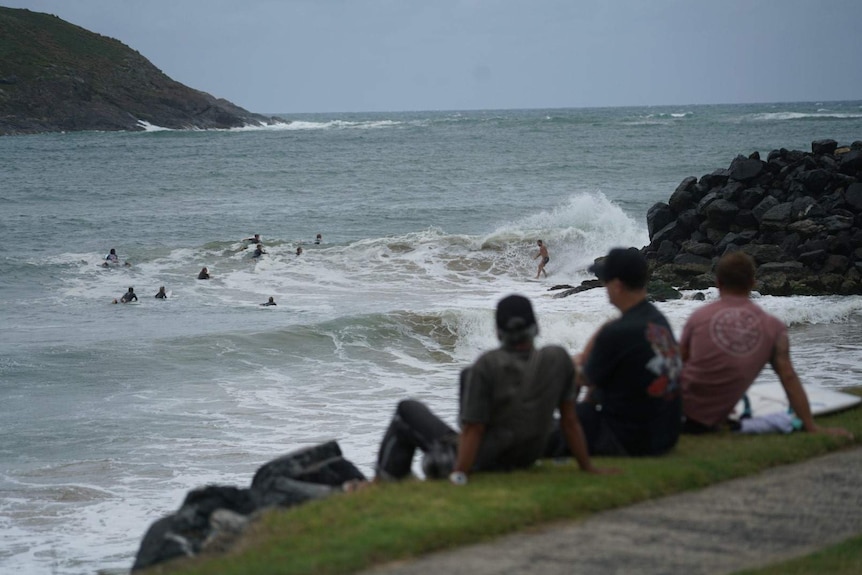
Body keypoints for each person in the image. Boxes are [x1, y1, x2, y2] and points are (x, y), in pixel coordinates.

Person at [375, 294, 609, 485]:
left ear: (498, 332)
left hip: (485, 460)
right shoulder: (558, 359)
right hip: (527, 456)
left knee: (406, 410)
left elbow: (474, 428)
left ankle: (382, 483)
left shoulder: (488, 364)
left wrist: (460, 473)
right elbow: (569, 421)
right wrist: (586, 466)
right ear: (536, 327)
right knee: (468, 377)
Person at [680, 252, 852, 438]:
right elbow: (788, 376)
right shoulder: (773, 327)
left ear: (718, 283)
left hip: (674, 413)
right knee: (783, 420)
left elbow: (676, 366)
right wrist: (811, 427)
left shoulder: (698, 317)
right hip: (705, 423)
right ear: (753, 284)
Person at [546, 247, 682, 457]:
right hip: (665, 435)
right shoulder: (657, 320)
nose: (604, 287)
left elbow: (582, 379)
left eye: (605, 281)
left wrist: (573, 363)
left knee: (546, 431)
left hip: (630, 440)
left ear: (617, 286)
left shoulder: (617, 332)